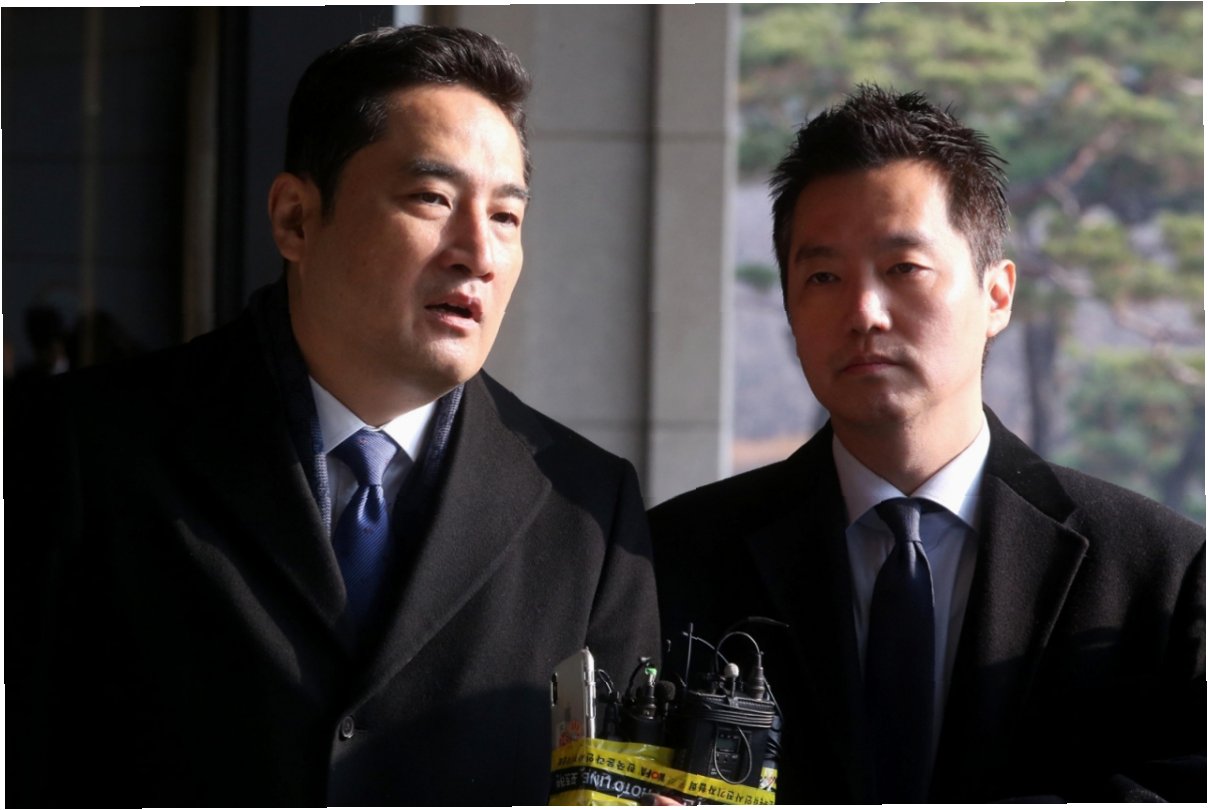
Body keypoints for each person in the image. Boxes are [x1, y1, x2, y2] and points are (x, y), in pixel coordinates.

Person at [7, 25, 660, 806]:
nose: (478, 253)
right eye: (433, 199)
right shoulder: (82, 446)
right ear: (295, 218)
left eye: (506, 217)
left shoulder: (586, 511)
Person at [650, 86, 1204, 803]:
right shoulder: (673, 559)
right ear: (789, 308)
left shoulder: (1161, 573)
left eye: (903, 268)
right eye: (823, 276)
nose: (864, 313)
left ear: (997, 295)